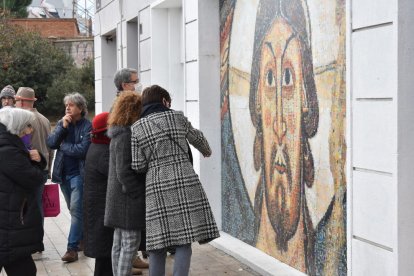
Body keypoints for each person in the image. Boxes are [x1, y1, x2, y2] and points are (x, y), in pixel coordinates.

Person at [131, 85, 220, 276]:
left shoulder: (137, 127)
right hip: (185, 181)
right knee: (183, 239)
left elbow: (138, 165)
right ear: (164, 101)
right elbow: (198, 139)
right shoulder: (177, 117)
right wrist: (206, 151)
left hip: (155, 186)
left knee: (156, 242)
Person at [104, 91, 147, 276]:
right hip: (127, 198)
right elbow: (124, 171)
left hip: (118, 197)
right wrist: (137, 192)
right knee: (130, 243)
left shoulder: (118, 133)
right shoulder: (126, 135)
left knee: (119, 243)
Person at [0, 107, 47, 276]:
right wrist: (40, 162)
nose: (31, 129)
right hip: (9, 226)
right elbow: (35, 179)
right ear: (17, 126)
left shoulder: (9, 147)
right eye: (28, 125)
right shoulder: (8, 151)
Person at [47, 92, 92, 262]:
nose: (67, 107)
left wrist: (63, 145)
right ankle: (81, 240)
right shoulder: (62, 123)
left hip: (78, 175)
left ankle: (71, 249)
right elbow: (51, 143)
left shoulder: (88, 126)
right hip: (62, 175)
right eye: (66, 104)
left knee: (76, 210)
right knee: (74, 210)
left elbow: (82, 150)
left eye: (71, 105)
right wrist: (61, 127)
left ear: (80, 108)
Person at [15, 87, 53, 225]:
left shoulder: (23, 120)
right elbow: (51, 147)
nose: (14, 104)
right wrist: (48, 169)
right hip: (42, 170)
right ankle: (37, 241)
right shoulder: (45, 120)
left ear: (22, 102)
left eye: (16, 101)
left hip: (29, 171)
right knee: (37, 207)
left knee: (26, 209)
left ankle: (31, 242)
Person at [83, 112, 114, 276]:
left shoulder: (97, 145)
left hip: (98, 209)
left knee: (104, 257)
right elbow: (117, 176)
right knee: (105, 256)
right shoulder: (104, 151)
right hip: (102, 211)